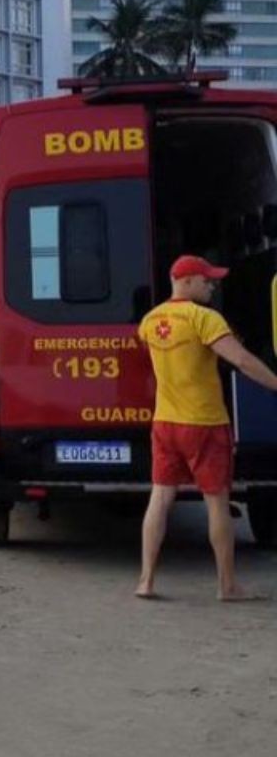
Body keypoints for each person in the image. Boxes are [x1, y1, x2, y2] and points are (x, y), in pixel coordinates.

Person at [135, 255, 277, 601]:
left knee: (160, 497)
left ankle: (146, 581)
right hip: (205, 423)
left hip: (165, 422)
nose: (212, 285)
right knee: (216, 502)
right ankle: (227, 585)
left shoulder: (151, 321)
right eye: (206, 280)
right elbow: (241, 360)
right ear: (185, 281)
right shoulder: (204, 318)